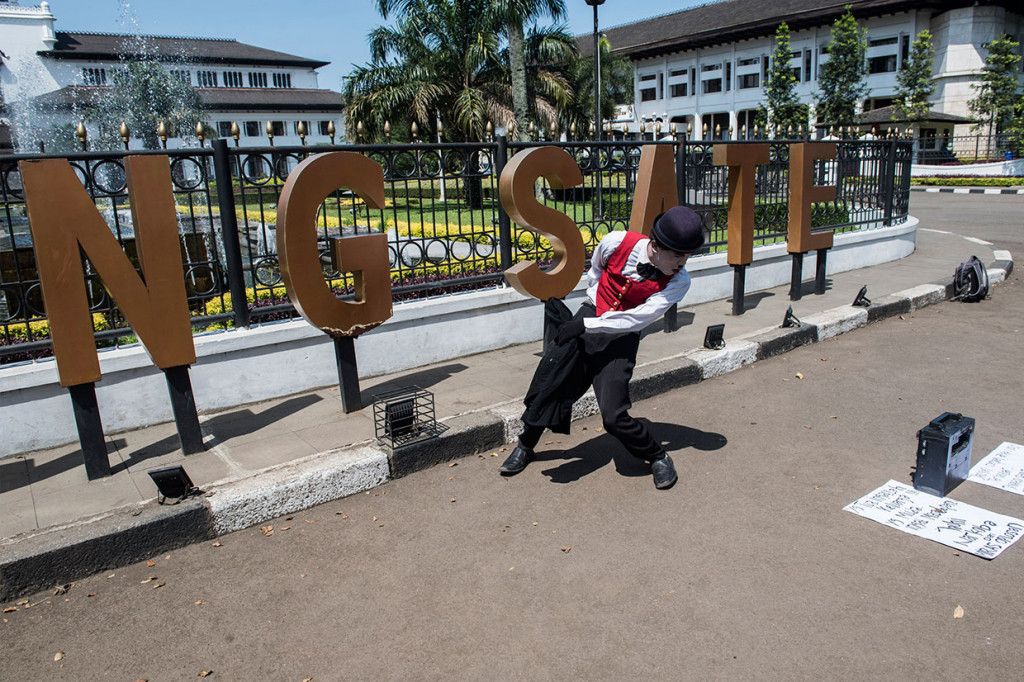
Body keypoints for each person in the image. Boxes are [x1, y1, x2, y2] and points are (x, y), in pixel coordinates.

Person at [499, 205, 704, 489]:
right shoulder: (615, 242)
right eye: (678, 255)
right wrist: (592, 306)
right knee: (552, 384)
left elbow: (638, 318)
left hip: (621, 336)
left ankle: (657, 455)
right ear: (656, 245)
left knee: (613, 416)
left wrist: (589, 325)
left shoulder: (679, 281)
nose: (683, 262)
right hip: (590, 315)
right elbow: (595, 270)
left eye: (688, 255)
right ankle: (525, 446)